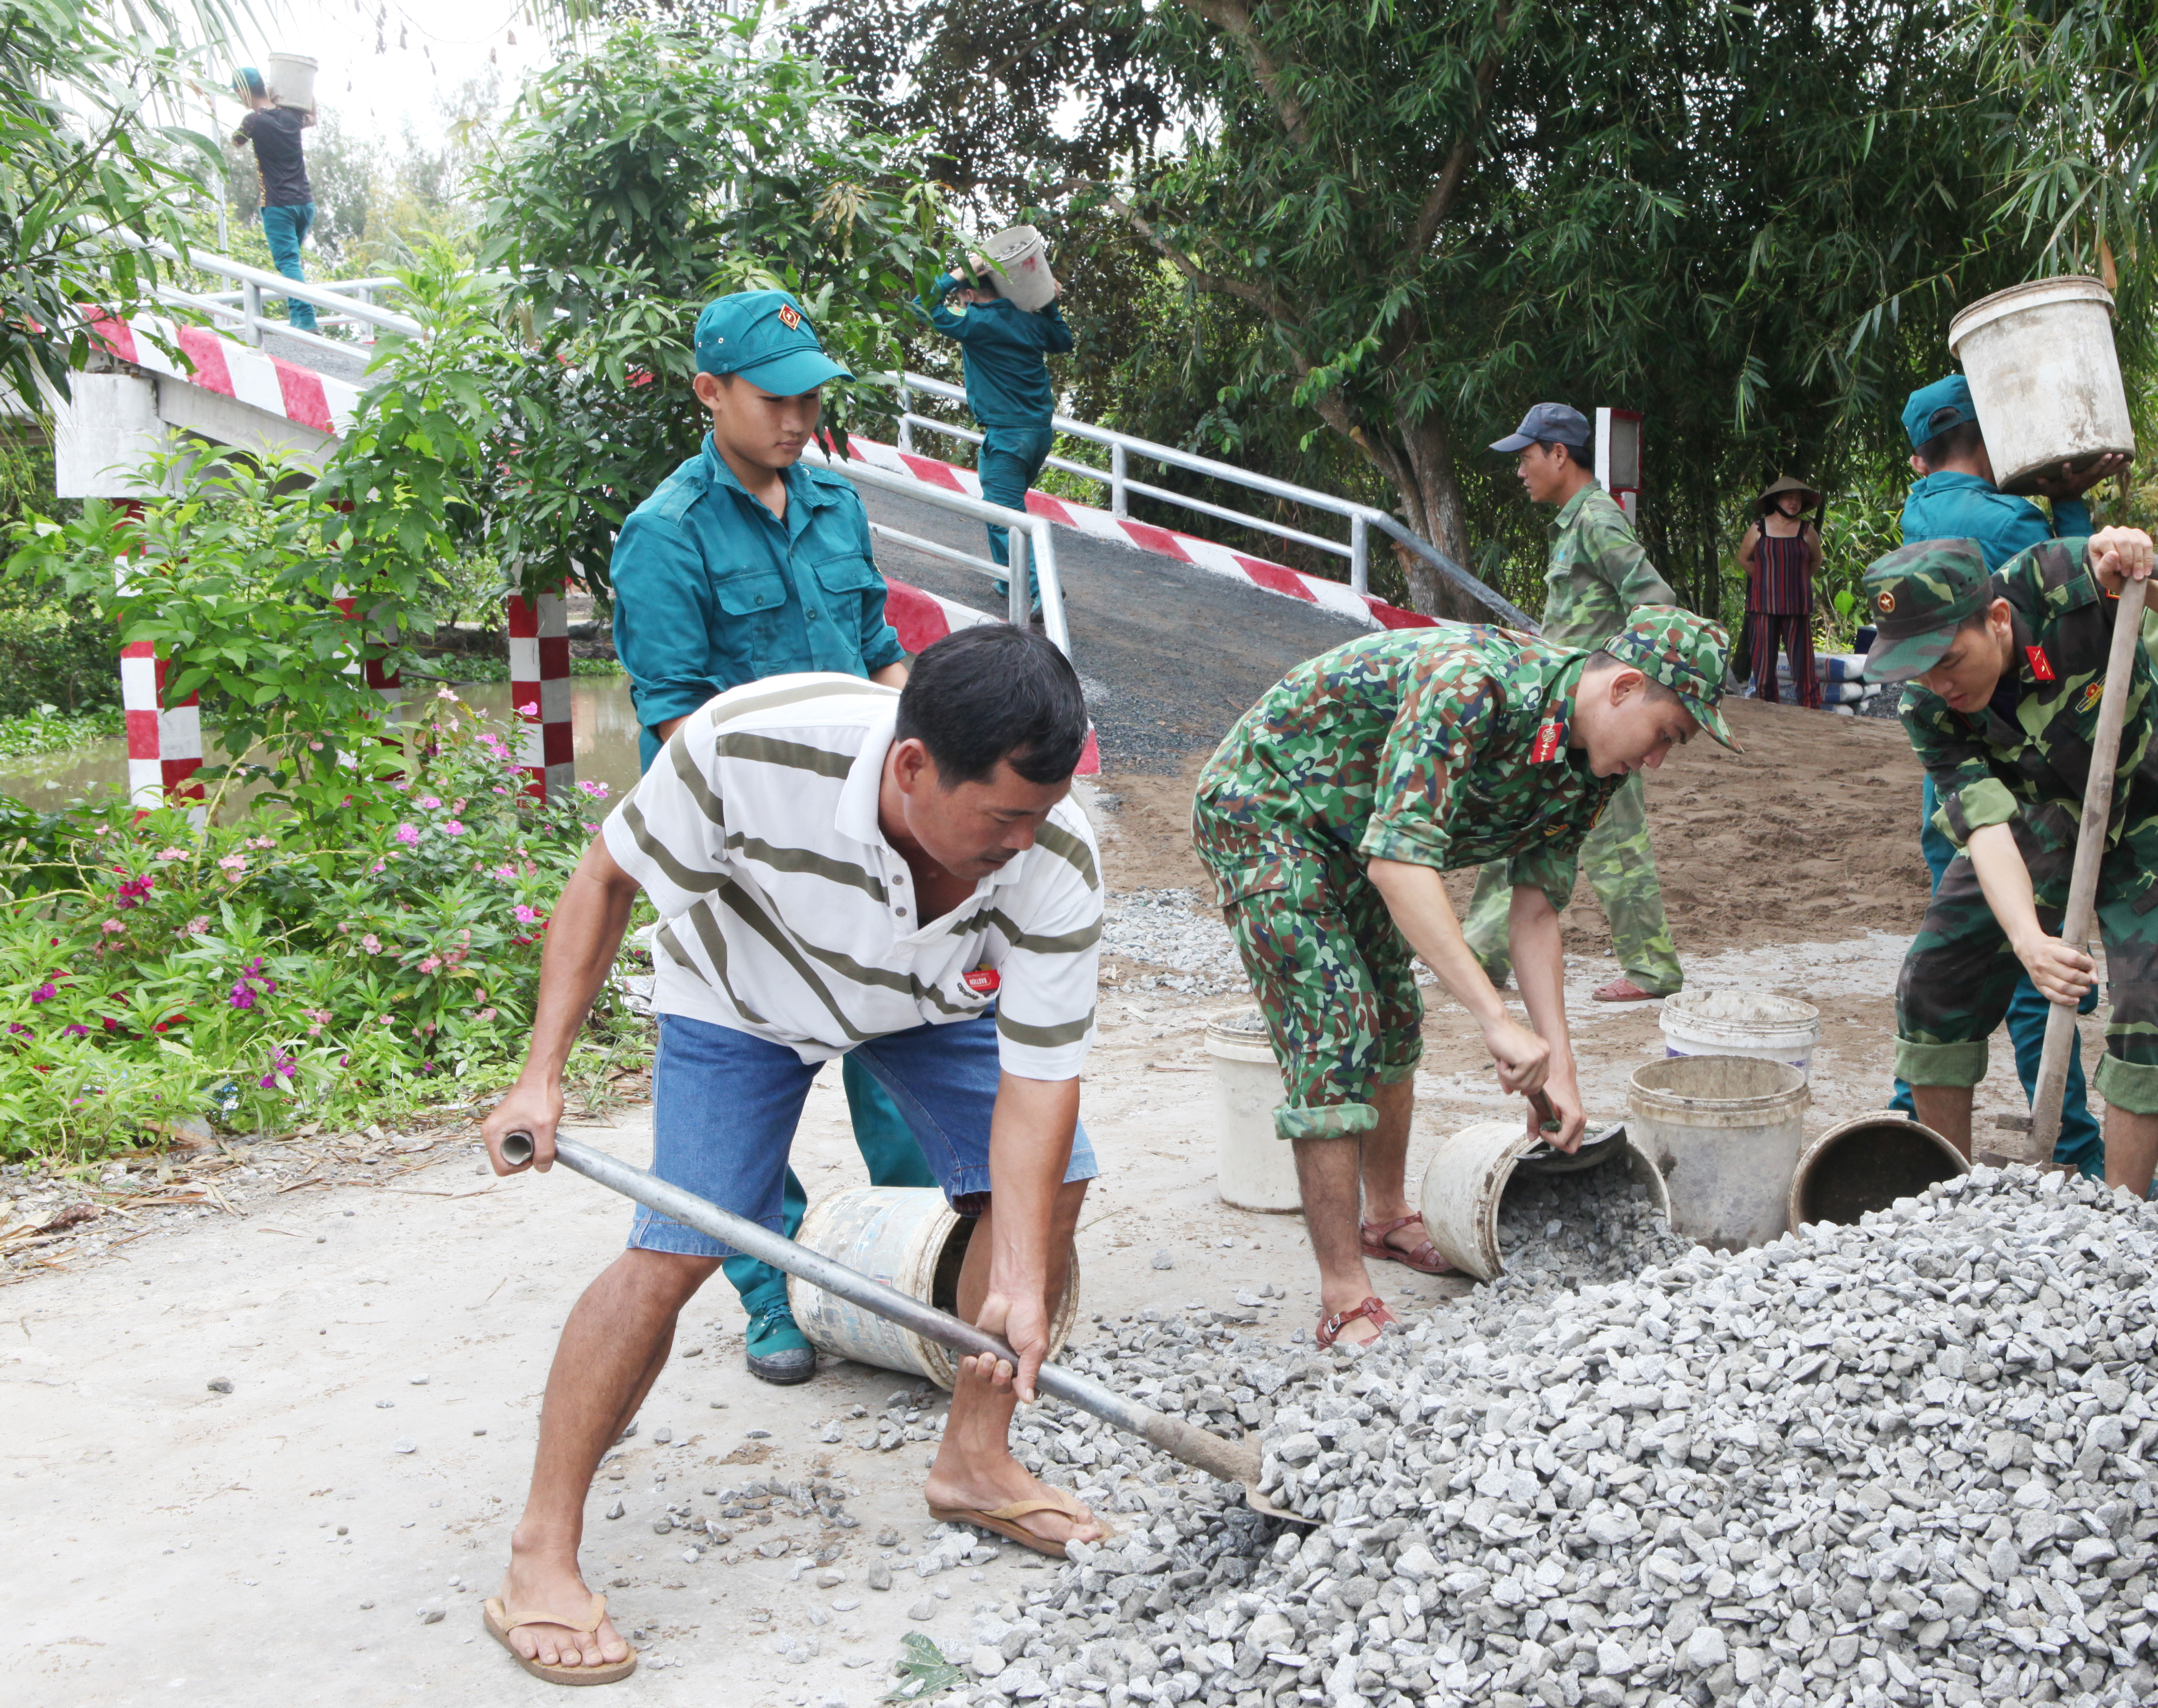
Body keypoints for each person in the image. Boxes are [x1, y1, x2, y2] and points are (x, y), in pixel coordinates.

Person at [477, 630, 1109, 1684]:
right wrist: (541, 1072)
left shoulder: (1053, 854)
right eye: (1002, 817)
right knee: (676, 1251)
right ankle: (540, 1553)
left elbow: (1040, 1085)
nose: (1024, 840)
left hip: (926, 996)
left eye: (1039, 816)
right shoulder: (750, 747)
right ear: (914, 768)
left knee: (1051, 1192)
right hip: (743, 996)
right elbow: (605, 880)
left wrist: (1021, 1278)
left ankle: (974, 1459)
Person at [1197, 608, 1735, 1347]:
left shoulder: (1591, 771)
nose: (1657, 762)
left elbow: (1536, 912)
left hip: (1358, 830)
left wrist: (1562, 1069)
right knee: (1336, 1027)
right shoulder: (1475, 685)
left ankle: (1385, 1219)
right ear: (1626, 688)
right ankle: (1344, 1297)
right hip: (1270, 808)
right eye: (1666, 735)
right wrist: (1495, 1018)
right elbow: (1398, 863)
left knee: (1394, 1016)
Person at [609, 287, 931, 1385]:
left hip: (863, 839)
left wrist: (915, 740)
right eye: (775, 397)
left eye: (812, 397)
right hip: (738, 855)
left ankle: (910, 1261)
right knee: (752, 1078)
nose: (799, 417)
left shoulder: (836, 504)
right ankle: (769, 1287)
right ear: (710, 393)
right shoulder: (666, 535)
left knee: (897, 1055)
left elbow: (881, 648)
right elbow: (676, 723)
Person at [1864, 532, 2158, 1197]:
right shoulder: (1928, 706)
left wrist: (2141, 581)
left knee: (2146, 1007)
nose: (1939, 683)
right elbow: (1984, 825)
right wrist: (2028, 941)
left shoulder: (2068, 578)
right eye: (1919, 668)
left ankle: (2122, 1214)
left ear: (1999, 620)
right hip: (2042, 813)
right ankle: (1950, 1200)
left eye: (1950, 659)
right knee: (1933, 979)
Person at [1883, 373, 2124, 1180]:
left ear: (1920, 456)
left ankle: (1910, 1129)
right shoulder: (2007, 519)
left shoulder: (1923, 510)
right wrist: (2072, 507)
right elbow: (2076, 594)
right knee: (2029, 958)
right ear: (1995, 438)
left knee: (1948, 953)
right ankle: (2078, 1153)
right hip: (2008, 776)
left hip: (1950, 779)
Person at [1462, 402, 1690, 1003]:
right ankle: (1480, 952)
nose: (1521, 471)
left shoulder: (1598, 520)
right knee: (1519, 816)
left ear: (1559, 454)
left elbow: (1655, 599)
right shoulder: (1575, 521)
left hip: (1601, 719)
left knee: (1614, 840)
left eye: (1527, 456)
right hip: (1563, 713)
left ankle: (1652, 970)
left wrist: (1629, 692)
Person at [908, 263, 1072, 611]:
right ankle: (1008, 578)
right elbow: (1064, 340)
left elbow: (921, 305)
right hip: (1039, 435)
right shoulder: (1029, 320)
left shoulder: (978, 322)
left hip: (1008, 438)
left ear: (969, 294)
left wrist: (958, 271)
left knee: (1003, 515)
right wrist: (1048, 302)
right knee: (1003, 510)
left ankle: (1042, 589)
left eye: (961, 298)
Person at [227, 67, 318, 334]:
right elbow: (312, 117)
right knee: (292, 262)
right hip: (305, 204)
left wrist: (211, 107)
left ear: (244, 91)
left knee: (288, 263)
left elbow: (236, 142)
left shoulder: (253, 121)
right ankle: (298, 320)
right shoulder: (291, 117)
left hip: (279, 205)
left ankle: (307, 320)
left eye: (237, 93)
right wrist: (305, 93)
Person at [1735, 474, 1825, 706]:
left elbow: (1816, 561)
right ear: (1776, 500)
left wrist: (1796, 580)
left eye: (1797, 499)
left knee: (1803, 663)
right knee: (1763, 665)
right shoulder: (1759, 528)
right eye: (1788, 498)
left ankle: (1810, 709)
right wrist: (1766, 580)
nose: (1793, 503)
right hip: (1763, 605)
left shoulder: (1806, 530)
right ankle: (1768, 708)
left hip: (1797, 605)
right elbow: (1744, 559)